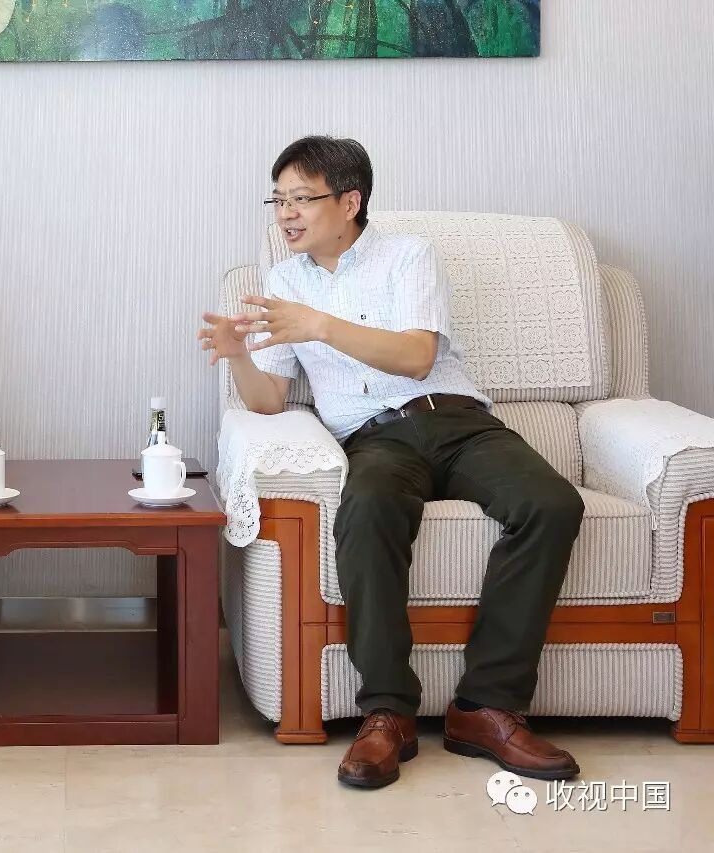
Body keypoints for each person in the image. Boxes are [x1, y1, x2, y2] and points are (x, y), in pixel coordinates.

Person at [199, 136, 583, 789]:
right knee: (368, 509)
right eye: (279, 200)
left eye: (302, 198)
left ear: (350, 201)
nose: (286, 213)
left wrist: (319, 324)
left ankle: (486, 708)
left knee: (551, 503)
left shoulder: (409, 256)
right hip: (374, 438)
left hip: (458, 420)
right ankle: (387, 713)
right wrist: (238, 355)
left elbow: (416, 357)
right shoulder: (284, 282)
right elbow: (268, 399)